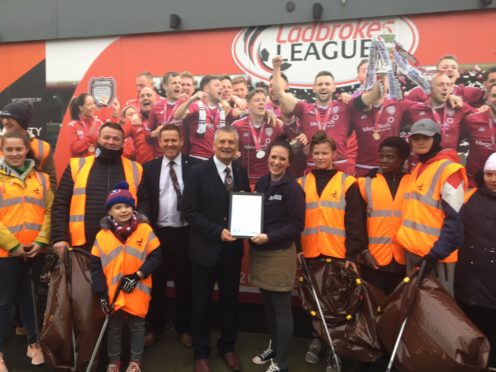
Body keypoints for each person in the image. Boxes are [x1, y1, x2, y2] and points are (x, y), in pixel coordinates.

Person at [51, 122, 143, 371]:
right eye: (107, 137)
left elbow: (144, 210)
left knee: (117, 306)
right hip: (81, 251)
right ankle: (86, 358)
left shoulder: (135, 170)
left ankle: (114, 358)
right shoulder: (77, 166)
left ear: (123, 143)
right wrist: (59, 237)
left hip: (120, 254)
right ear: (97, 138)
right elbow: (60, 204)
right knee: (85, 309)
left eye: (116, 139)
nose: (111, 142)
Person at [181, 126, 250, 372]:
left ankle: (228, 347)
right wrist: (216, 231)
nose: (227, 146)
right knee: (200, 304)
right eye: (222, 142)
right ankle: (201, 353)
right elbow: (188, 212)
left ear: (237, 146)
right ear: (213, 144)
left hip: (232, 254)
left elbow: (246, 206)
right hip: (204, 251)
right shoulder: (198, 172)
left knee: (230, 303)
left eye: (231, 142)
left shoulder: (241, 172)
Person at [297, 131, 367, 368]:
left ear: (334, 154)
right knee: (313, 302)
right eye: (316, 153)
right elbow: (296, 221)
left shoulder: (348, 183)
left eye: (324, 153)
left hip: (337, 255)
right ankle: (317, 340)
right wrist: (297, 248)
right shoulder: (301, 183)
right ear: (310, 154)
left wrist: (352, 254)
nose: (320, 157)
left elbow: (355, 222)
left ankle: (334, 348)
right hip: (309, 254)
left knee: (338, 305)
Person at [138, 124, 200, 347]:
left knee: (185, 284)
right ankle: (155, 328)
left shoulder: (195, 167)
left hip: (185, 234)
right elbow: (144, 199)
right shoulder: (149, 168)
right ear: (159, 143)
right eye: (166, 140)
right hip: (158, 234)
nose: (171, 144)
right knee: (156, 284)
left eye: (174, 140)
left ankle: (184, 328)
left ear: (181, 141)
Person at [90, 181, 161, 372]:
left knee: (137, 326)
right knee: (114, 328)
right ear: (110, 212)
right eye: (118, 207)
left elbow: (156, 256)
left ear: (133, 208)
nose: (123, 211)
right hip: (113, 293)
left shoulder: (145, 230)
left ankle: (135, 363)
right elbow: (95, 267)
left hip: (137, 289)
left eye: (128, 206)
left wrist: (137, 275)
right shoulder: (102, 236)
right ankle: (114, 362)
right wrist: (102, 294)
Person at [249, 136, 305, 372]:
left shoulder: (293, 189)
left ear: (289, 162)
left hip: (280, 254)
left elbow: (296, 225)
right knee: (268, 306)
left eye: (282, 158)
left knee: (281, 309)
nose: (277, 162)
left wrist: (269, 237)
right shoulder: (262, 182)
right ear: (268, 157)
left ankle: (281, 363)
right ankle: (274, 348)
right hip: (260, 253)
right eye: (274, 157)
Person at [395, 118, 467, 296]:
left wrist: (435, 255)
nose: (420, 142)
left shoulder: (450, 171)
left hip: (435, 257)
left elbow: (455, 221)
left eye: (425, 138)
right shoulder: (420, 167)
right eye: (416, 138)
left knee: (437, 313)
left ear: (436, 139)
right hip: (414, 253)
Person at [0, 131, 53, 369]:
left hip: (33, 252)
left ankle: (34, 344)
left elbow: (49, 212)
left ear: (26, 149)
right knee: (3, 303)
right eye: (9, 149)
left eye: (18, 149)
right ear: (3, 150)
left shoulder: (42, 179)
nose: (14, 154)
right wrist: (12, 245)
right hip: (5, 254)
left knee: (30, 300)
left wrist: (41, 241)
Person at [454, 152, 496, 370]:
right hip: (468, 283)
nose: (494, 179)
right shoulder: (469, 197)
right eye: (489, 174)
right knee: (469, 330)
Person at [357, 136, 411, 295]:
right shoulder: (366, 183)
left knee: (398, 309)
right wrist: (363, 252)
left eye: (390, 157)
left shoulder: (413, 183)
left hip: (404, 260)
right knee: (374, 308)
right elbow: (357, 222)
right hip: (374, 260)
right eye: (381, 156)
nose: (384, 160)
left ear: (402, 159)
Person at [404, 72, 473, 152]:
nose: (445, 88)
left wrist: (484, 107)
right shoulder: (415, 109)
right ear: (430, 88)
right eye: (440, 85)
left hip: (448, 161)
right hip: (423, 162)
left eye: (449, 85)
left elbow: (481, 114)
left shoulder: (458, 106)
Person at [232, 87, 283, 187]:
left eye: (264, 100)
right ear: (249, 105)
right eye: (257, 100)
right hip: (244, 179)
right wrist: (232, 155)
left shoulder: (274, 125)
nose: (261, 103)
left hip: (268, 179)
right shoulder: (237, 126)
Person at [0, 100, 57, 188]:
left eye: (10, 118)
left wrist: (49, 199)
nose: (6, 122)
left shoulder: (43, 147)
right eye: (3, 118)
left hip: (34, 199)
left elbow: (51, 179)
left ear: (23, 121)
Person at [174, 75, 232, 160]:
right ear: (206, 89)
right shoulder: (196, 105)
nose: (221, 88)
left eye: (221, 86)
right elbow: (177, 116)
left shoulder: (222, 108)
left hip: (218, 158)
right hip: (198, 158)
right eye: (217, 85)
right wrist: (191, 99)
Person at [406, 55, 485, 107]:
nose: (450, 70)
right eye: (445, 67)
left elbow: (490, 96)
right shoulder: (419, 92)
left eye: (453, 68)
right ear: (436, 72)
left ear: (458, 74)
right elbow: (401, 105)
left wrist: (486, 106)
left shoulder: (468, 92)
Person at [461, 83, 496, 186]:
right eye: (494, 95)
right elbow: (452, 141)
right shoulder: (471, 120)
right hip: (475, 183)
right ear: (487, 97)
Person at [66, 93, 104, 157]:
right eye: (89, 104)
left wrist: (115, 116)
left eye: (93, 104)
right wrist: (89, 137)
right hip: (81, 164)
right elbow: (74, 149)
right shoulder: (72, 125)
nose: (93, 107)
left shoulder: (99, 122)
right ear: (81, 107)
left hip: (98, 162)